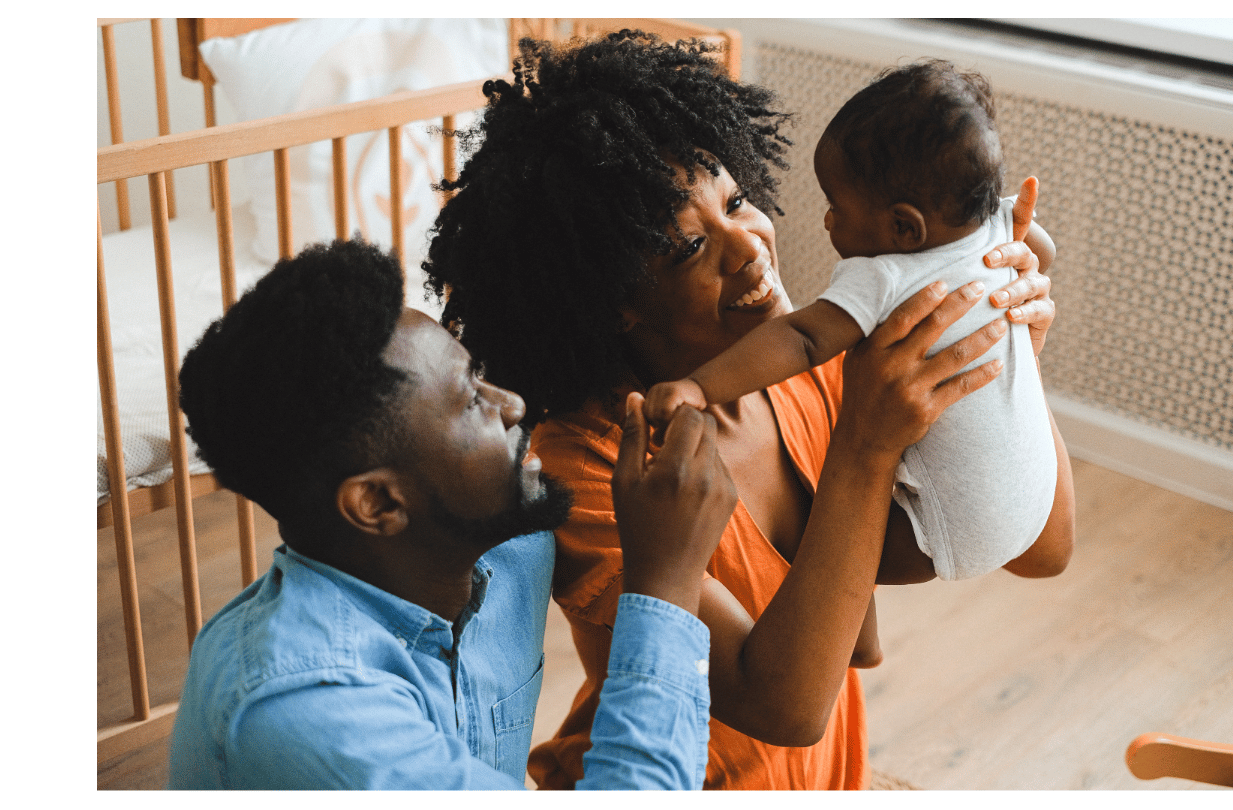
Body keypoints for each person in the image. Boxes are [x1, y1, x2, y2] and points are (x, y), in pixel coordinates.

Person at [423, 32, 1075, 790]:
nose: (751, 246)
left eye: (737, 202)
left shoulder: (800, 365)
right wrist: (864, 449)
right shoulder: (588, 470)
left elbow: (1042, 549)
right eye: (689, 249)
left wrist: (1009, 352)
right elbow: (787, 706)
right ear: (614, 305)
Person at [166, 238, 738, 789]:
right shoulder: (306, 709)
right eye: (472, 401)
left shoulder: (505, 550)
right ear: (378, 504)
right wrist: (665, 583)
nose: (512, 405)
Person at [645, 60, 1070, 582]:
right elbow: (1041, 249)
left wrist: (694, 387)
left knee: (832, 553)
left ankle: (842, 613)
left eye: (836, 206)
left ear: (903, 227)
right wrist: (1015, 268)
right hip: (1029, 495)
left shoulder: (885, 277)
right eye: (691, 245)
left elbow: (801, 339)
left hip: (947, 531)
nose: (827, 219)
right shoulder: (995, 224)